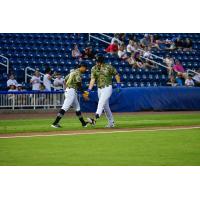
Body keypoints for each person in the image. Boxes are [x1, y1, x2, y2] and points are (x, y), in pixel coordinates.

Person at [83, 54, 121, 128]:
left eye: (98, 61)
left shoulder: (108, 67)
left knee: (101, 102)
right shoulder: (94, 68)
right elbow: (93, 79)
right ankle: (111, 122)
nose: (96, 62)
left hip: (107, 87)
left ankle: (94, 119)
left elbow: (116, 74)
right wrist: (88, 90)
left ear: (101, 61)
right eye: (96, 61)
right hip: (99, 89)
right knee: (105, 106)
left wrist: (118, 84)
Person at [51, 62, 89, 128]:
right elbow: (78, 84)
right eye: (85, 68)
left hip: (71, 90)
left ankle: (83, 123)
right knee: (65, 107)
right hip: (71, 91)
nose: (85, 70)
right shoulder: (78, 73)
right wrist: (83, 93)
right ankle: (55, 123)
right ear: (82, 67)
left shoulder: (73, 71)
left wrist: (66, 89)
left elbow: (65, 80)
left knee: (77, 108)